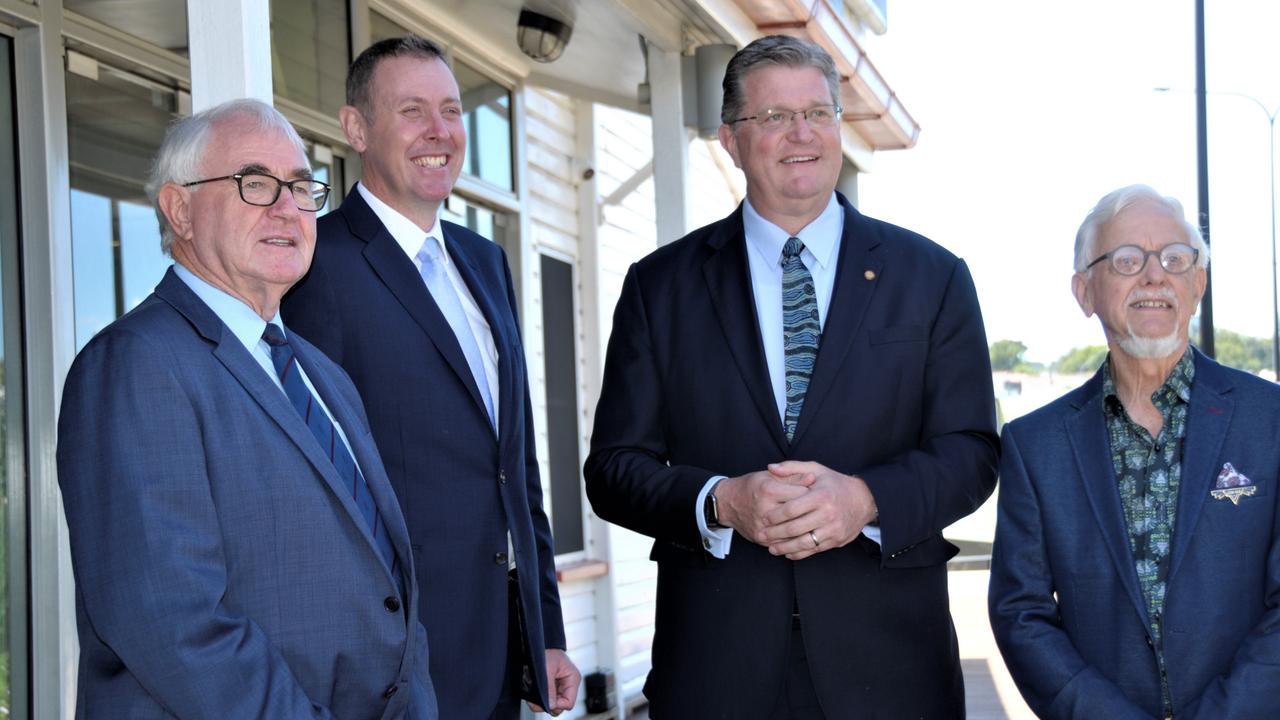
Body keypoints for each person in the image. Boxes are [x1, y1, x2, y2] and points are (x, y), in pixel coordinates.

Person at [584, 35, 999, 719]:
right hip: (717, 668)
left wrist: (865, 500)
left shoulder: (932, 277)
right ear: (730, 138)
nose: (801, 134)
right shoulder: (661, 287)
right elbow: (612, 469)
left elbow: (972, 452)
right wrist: (721, 500)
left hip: (891, 668)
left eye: (818, 112)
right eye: (774, 117)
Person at [57, 98, 437, 718]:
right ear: (179, 209)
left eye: (299, 187)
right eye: (255, 183)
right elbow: (174, 622)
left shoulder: (325, 377)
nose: (288, 207)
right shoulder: (136, 365)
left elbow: (390, 587)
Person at [282, 36, 579, 717]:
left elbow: (516, 467)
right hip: (395, 664)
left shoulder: (485, 261)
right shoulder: (315, 266)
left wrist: (546, 632)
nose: (439, 131)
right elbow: (312, 489)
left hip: (503, 656)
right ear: (356, 128)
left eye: (450, 110)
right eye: (412, 110)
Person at [989, 184, 1280, 720]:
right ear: (1084, 292)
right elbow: (1021, 613)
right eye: (1127, 260)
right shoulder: (1036, 447)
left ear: (1198, 284)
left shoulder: (1271, 420)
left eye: (1175, 258)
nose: (1154, 275)